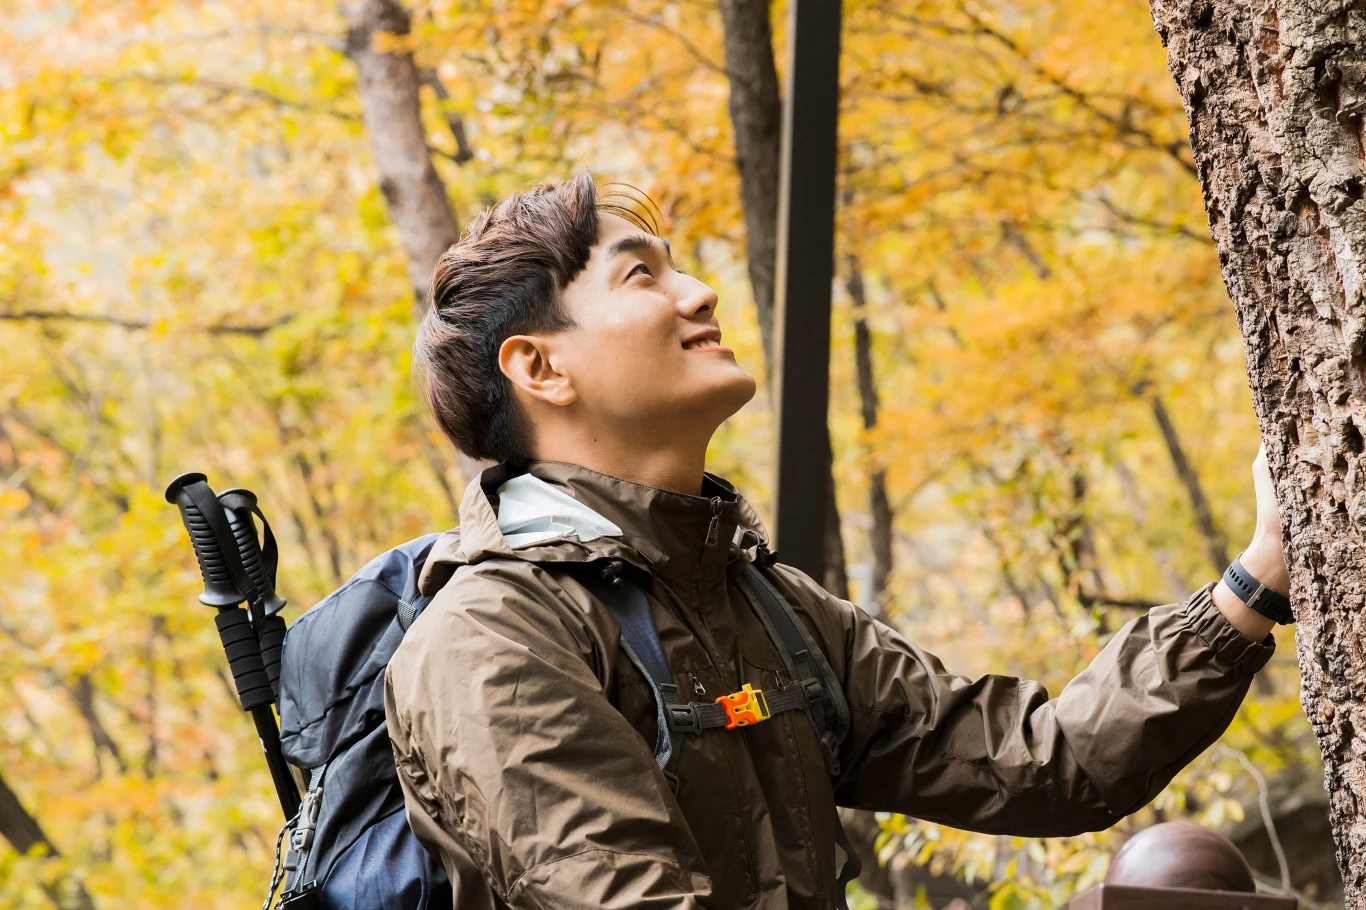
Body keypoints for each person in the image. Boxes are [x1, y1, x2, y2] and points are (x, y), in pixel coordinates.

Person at [383, 174, 1290, 910]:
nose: (698, 292)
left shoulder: (762, 607)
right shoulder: (492, 642)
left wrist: (1252, 586)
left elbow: (1041, 763)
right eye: (641, 276)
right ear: (541, 367)